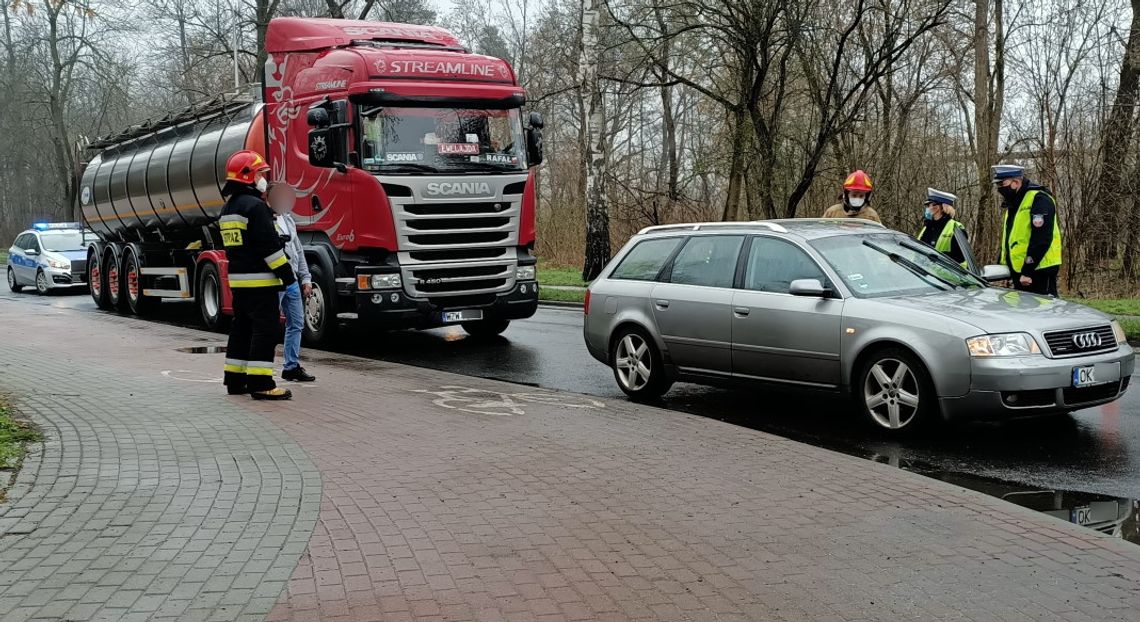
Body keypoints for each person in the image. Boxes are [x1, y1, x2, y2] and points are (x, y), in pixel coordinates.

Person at [219, 150, 297, 401]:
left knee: (241, 329)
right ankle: (261, 382)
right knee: (266, 330)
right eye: (261, 173)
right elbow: (269, 248)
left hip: (239, 283)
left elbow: (242, 245)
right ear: (249, 175)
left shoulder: (228, 208)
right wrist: (288, 276)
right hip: (261, 283)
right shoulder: (255, 206)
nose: (264, 178)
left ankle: (235, 380)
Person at [267, 182, 316, 382]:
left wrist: (306, 278)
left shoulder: (288, 219)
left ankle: (291, 367)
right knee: (268, 325)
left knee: (296, 323)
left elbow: (298, 251)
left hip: (292, 280)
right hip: (273, 281)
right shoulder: (265, 220)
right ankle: (262, 368)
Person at [992, 164, 1063, 296]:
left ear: (1016, 182)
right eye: (998, 185)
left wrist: (1027, 271)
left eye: (1002, 184)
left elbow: (1041, 239)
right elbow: (1010, 240)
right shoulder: (1014, 203)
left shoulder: (1039, 199)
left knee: (1042, 312)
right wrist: (1005, 269)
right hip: (1020, 271)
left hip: (1039, 269)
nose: (999, 188)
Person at [916, 188, 968, 268]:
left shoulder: (955, 227)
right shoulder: (927, 227)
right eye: (928, 205)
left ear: (939, 207)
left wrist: (936, 257)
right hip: (923, 274)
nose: (928, 208)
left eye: (930, 204)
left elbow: (960, 257)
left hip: (947, 278)